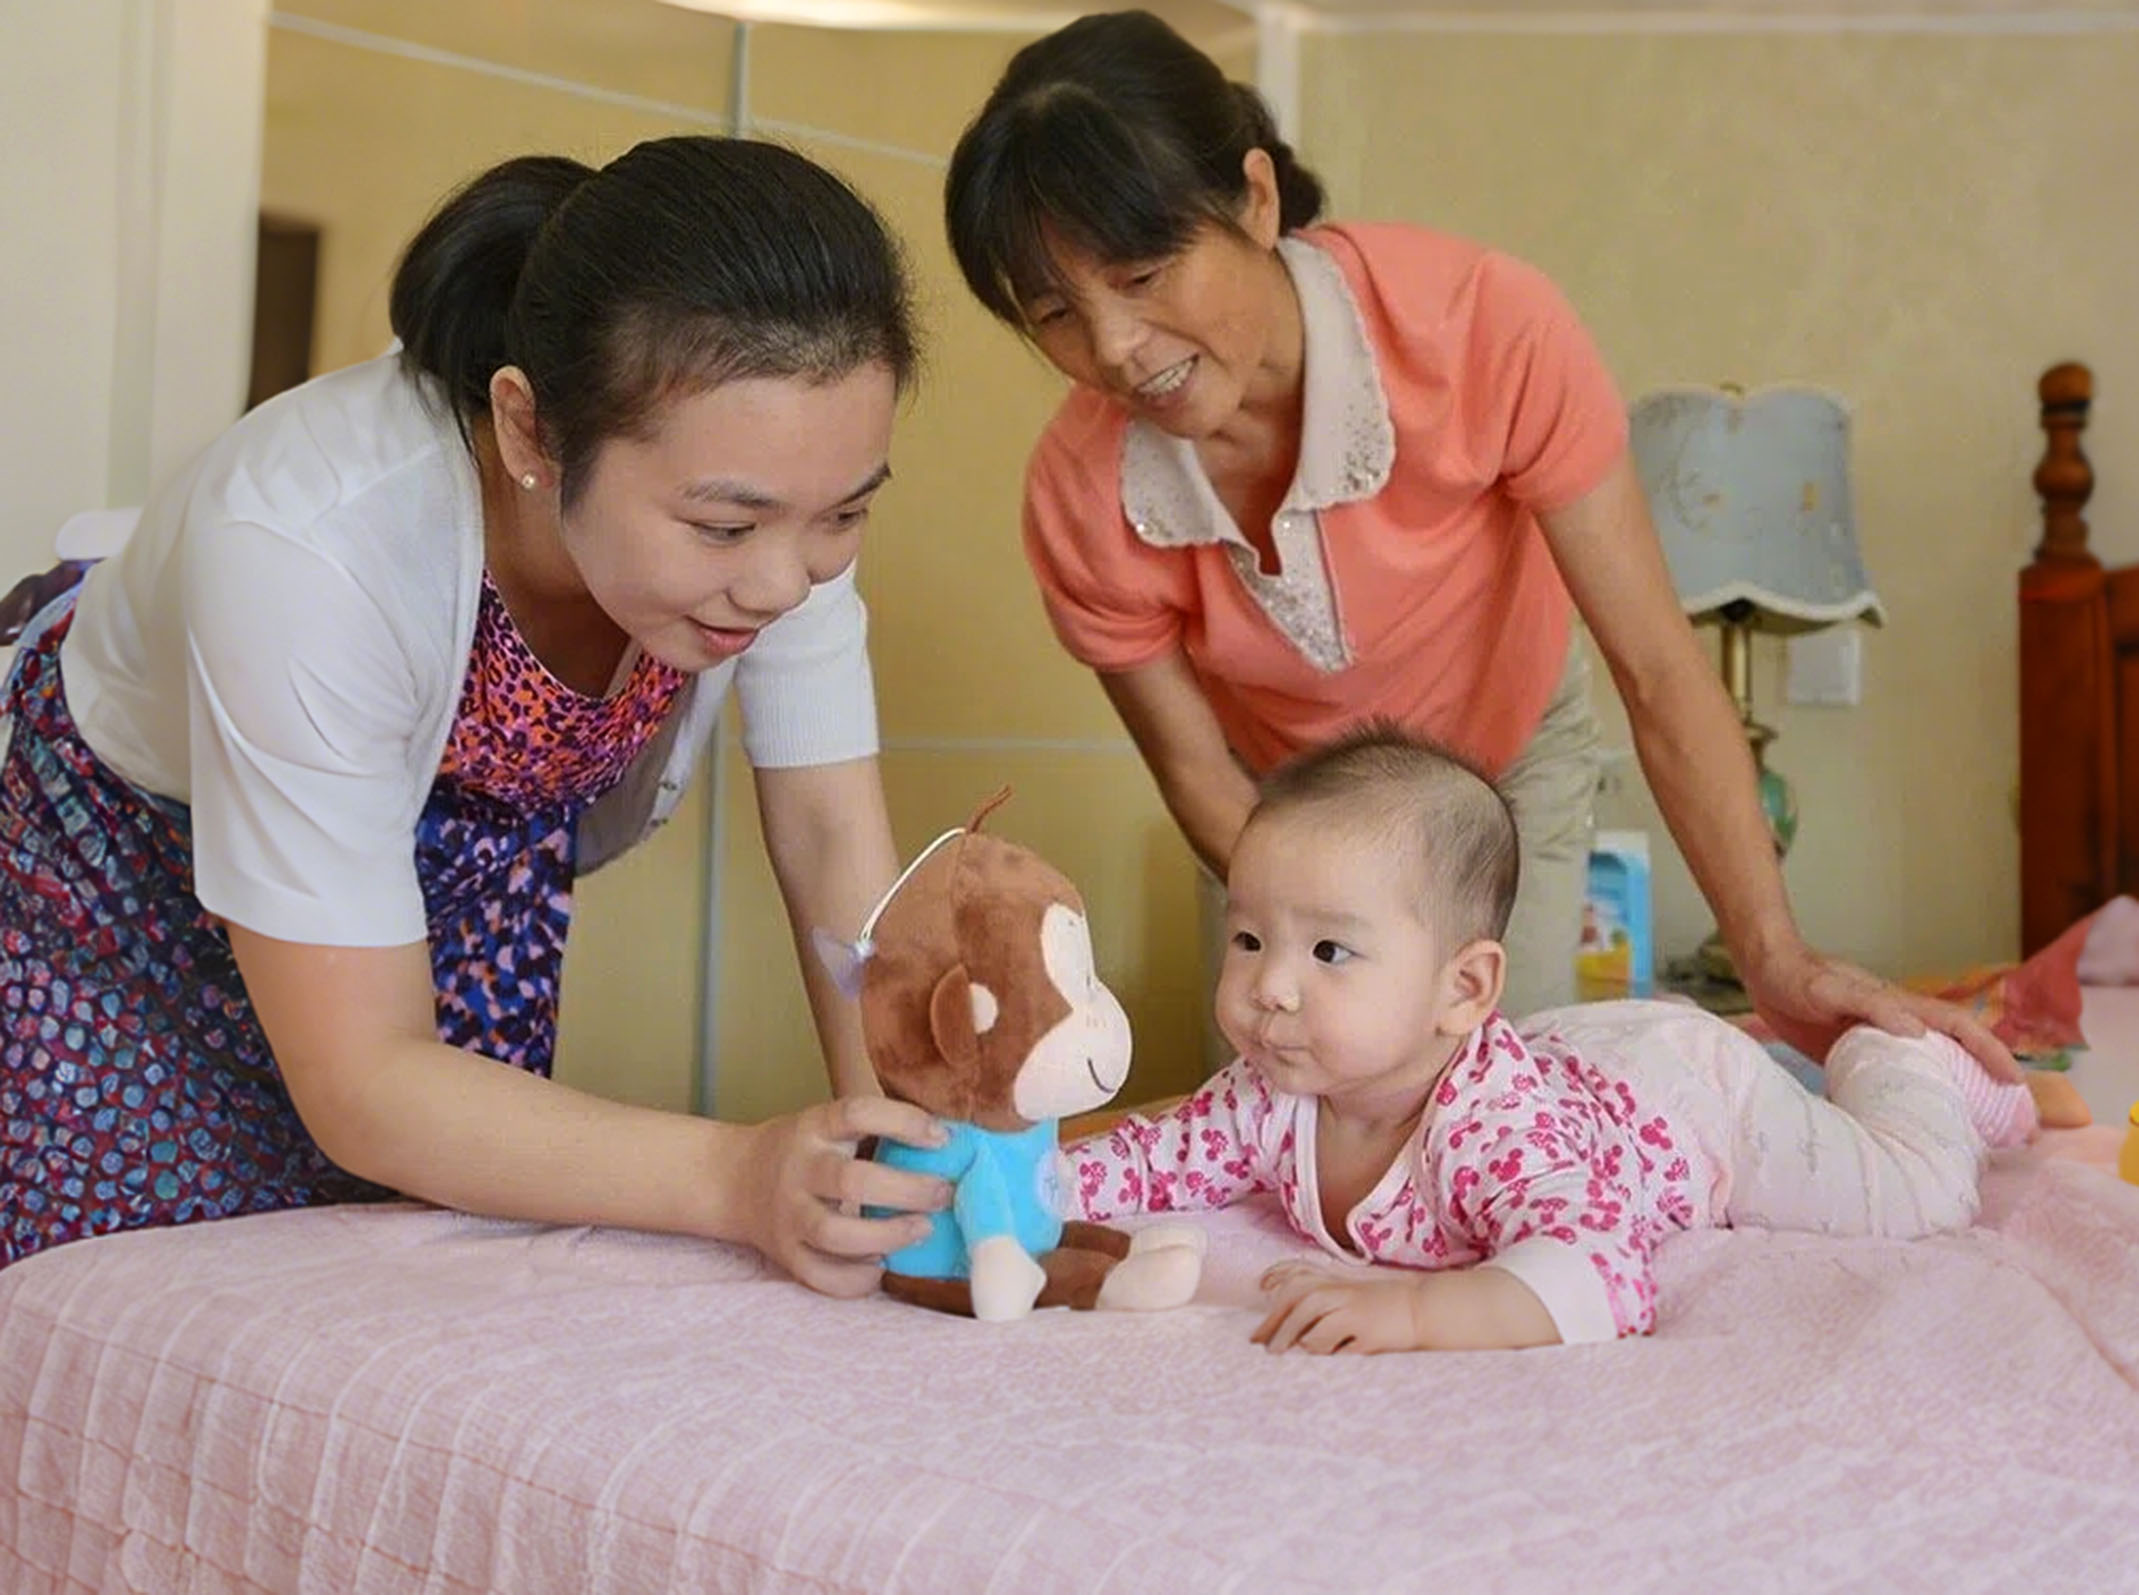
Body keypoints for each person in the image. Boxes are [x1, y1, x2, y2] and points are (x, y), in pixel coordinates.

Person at [942, 9, 2015, 1079]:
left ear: (1255, 200)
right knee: (1287, 1113)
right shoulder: (1079, 495)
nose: (1115, 349)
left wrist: (1772, 955)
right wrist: (1338, 934)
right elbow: (1198, 774)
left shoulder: (1482, 326)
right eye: (1055, 314)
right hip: (1281, 815)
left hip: (1507, 769)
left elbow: (1656, 669)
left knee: (1496, 1098)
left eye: (1140, 275)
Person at [0, 136, 954, 1288]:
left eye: (844, 514)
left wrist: (914, 1170)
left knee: (421, 1292)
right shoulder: (308, 543)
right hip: (125, 911)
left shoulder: (779, 495)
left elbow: (831, 834)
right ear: (530, 430)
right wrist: (739, 1175)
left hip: (446, 899)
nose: (784, 581)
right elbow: (365, 1079)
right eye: (723, 528)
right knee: (136, 1303)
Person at [1066, 728, 2084, 1354]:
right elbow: (1147, 1160)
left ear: (1463, 989)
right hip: (1578, 1053)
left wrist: (1412, 1316)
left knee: (1911, 1197)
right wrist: (1017, 1179)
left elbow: (1603, 1278)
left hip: (1689, 1100)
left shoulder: (1498, 1132)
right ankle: (1796, 1060)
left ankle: (1905, 1064)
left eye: (1329, 949)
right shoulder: (1267, 1091)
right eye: (1249, 937)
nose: (1270, 986)